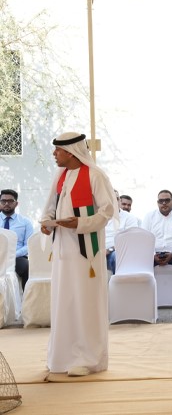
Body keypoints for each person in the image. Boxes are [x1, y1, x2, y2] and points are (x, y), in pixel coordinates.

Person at [39, 132, 117, 377]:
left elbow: (107, 212)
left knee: (85, 302)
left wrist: (80, 223)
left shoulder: (95, 175)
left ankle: (89, 359)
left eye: (58, 150)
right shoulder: (60, 175)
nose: (54, 154)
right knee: (64, 302)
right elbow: (50, 207)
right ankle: (62, 357)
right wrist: (46, 222)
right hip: (63, 252)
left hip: (86, 253)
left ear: (71, 152)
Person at [1, 189, 34, 290]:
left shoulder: (25, 222)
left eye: (10, 201)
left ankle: (26, 297)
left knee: (27, 267)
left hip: (17, 257)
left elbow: (29, 245)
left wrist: (13, 255)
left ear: (16, 203)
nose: (7, 203)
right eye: (3, 201)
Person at [104, 190, 136, 274]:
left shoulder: (129, 218)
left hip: (116, 251)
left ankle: (120, 282)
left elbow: (130, 239)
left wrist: (109, 250)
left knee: (117, 257)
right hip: (99, 252)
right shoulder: (99, 217)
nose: (114, 201)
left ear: (119, 201)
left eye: (117, 199)